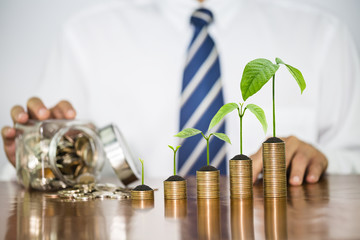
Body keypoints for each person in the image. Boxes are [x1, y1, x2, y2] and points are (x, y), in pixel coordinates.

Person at [2, 0, 360, 185]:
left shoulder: (323, 36)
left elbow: (353, 157)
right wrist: (33, 163)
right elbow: (38, 170)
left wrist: (325, 161)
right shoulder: (82, 37)